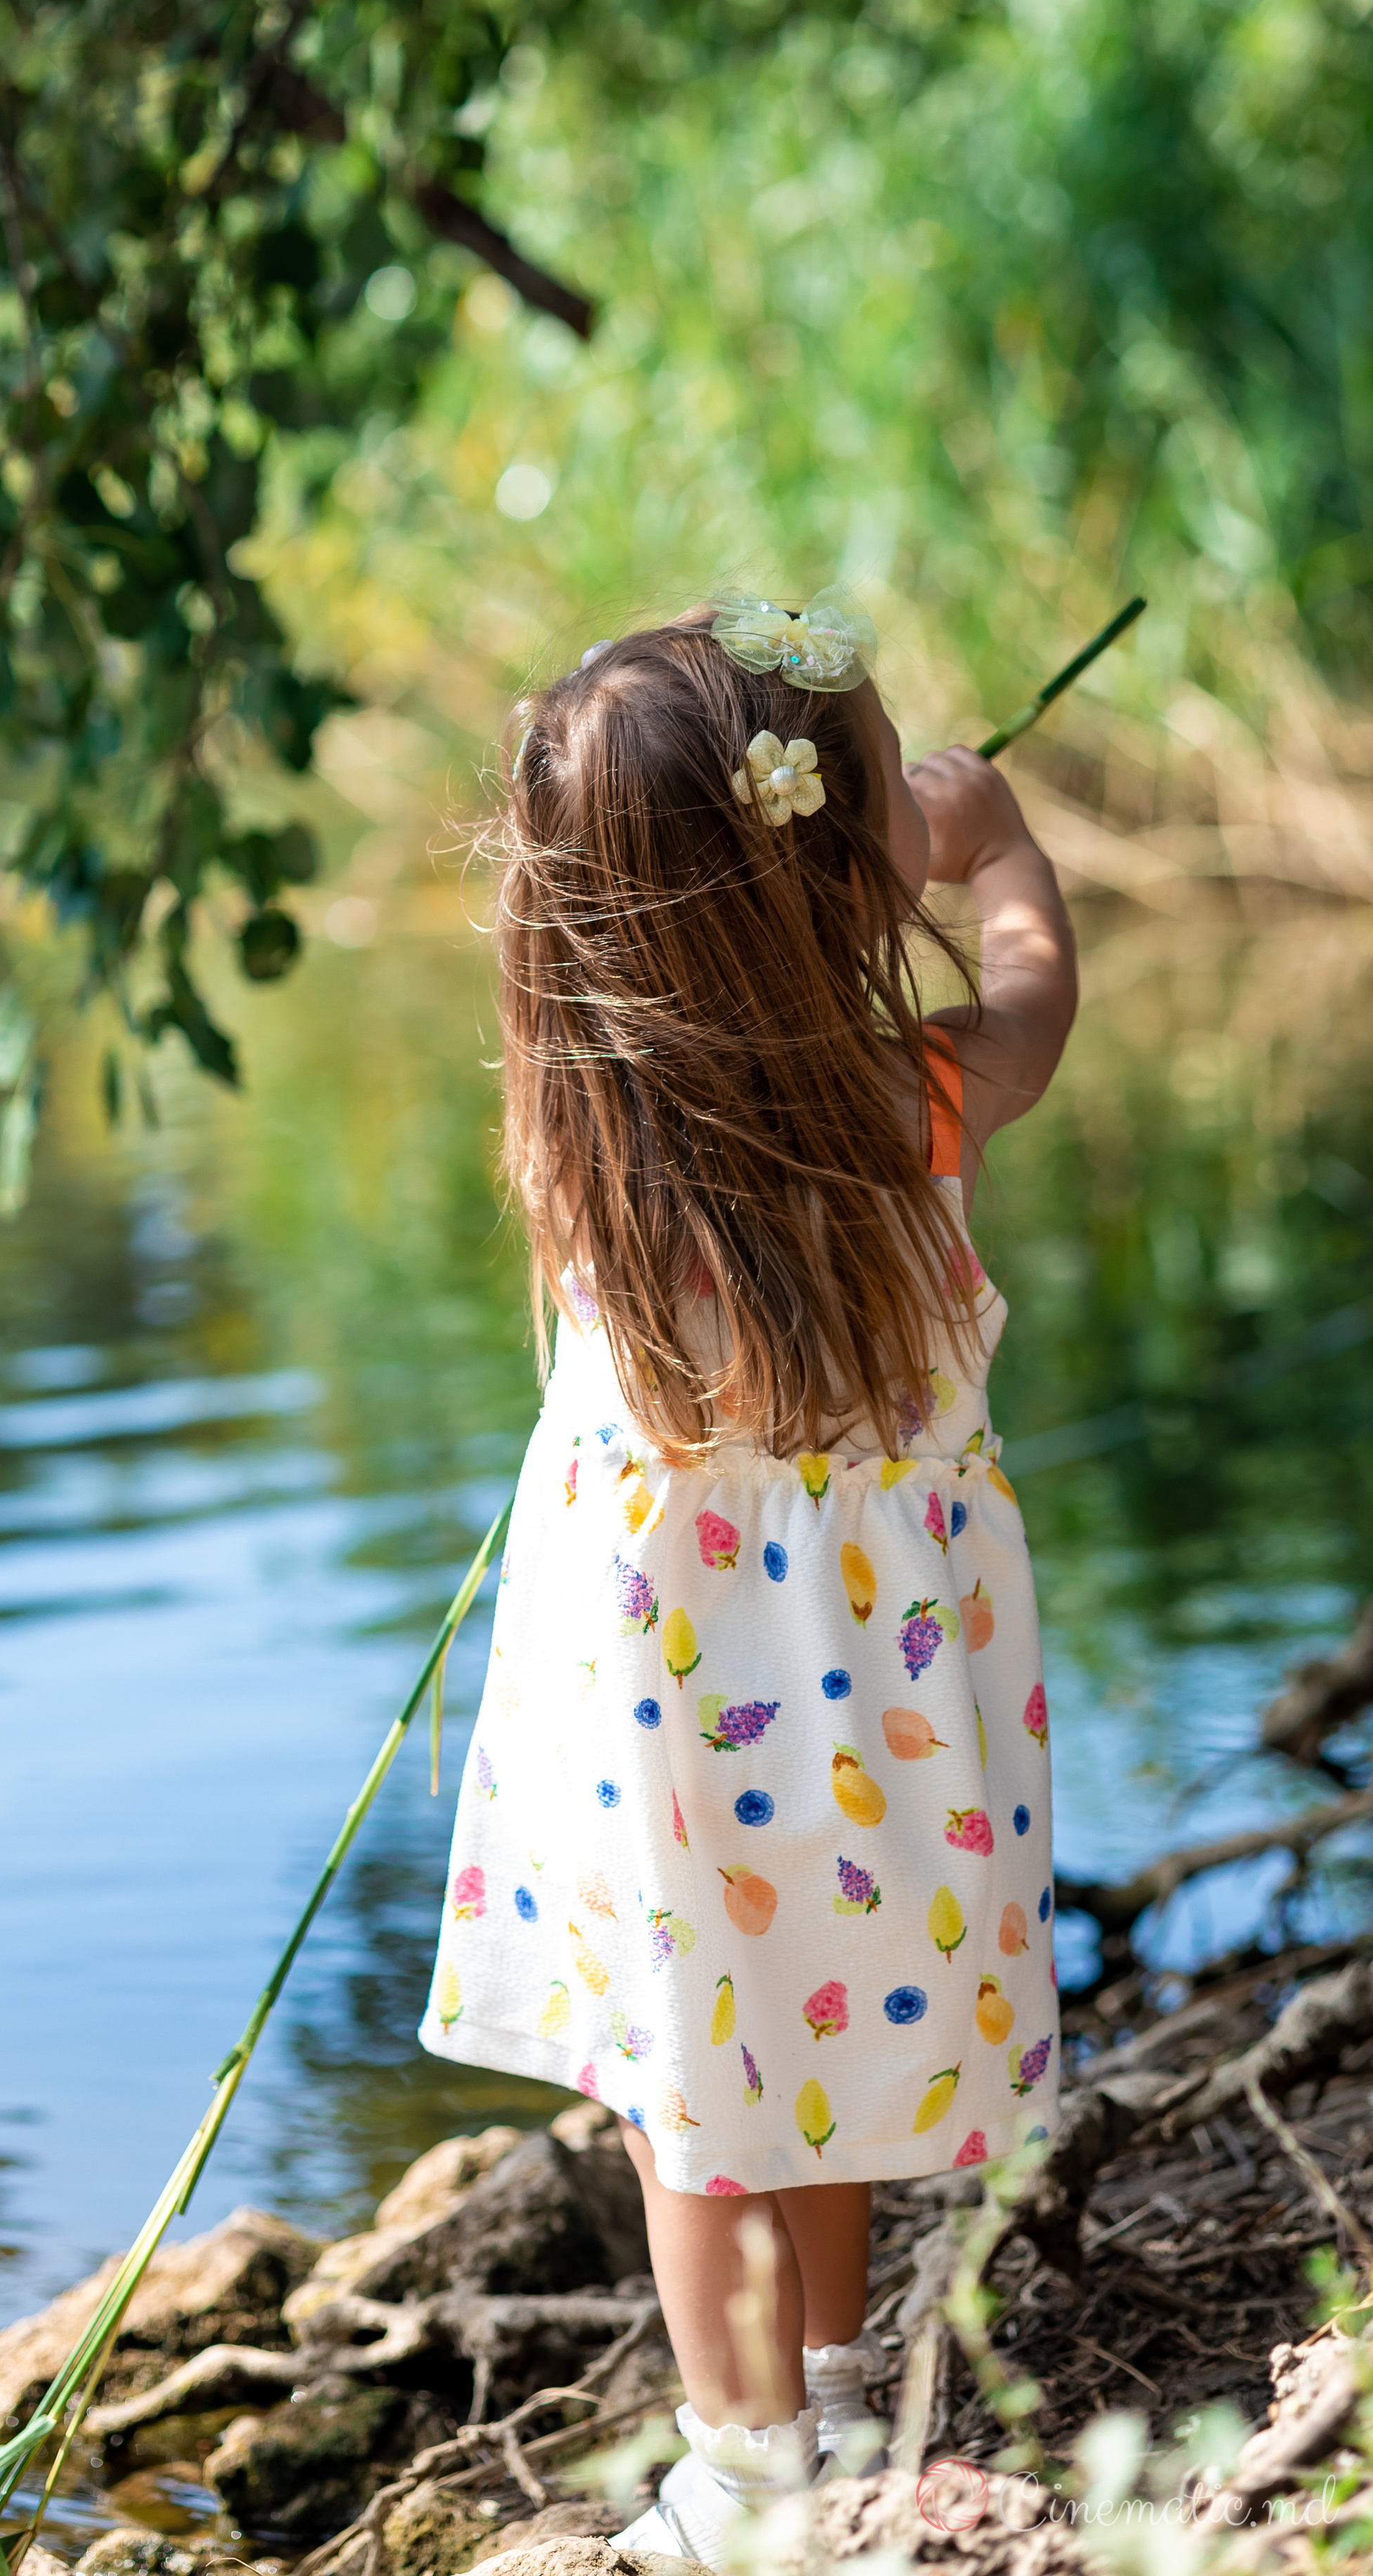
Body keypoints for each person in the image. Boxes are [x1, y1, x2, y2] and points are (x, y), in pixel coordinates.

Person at [418, 591, 1076, 2563]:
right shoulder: (910, 1109)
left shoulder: (584, 1153)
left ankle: (746, 2473)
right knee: (835, 2020)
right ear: (844, 878)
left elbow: (634, 944)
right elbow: (1036, 1001)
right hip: (881, 1717)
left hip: (667, 1732)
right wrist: (1001, 849)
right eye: (881, 790)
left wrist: (852, 847)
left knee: (695, 2091)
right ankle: (840, 2389)